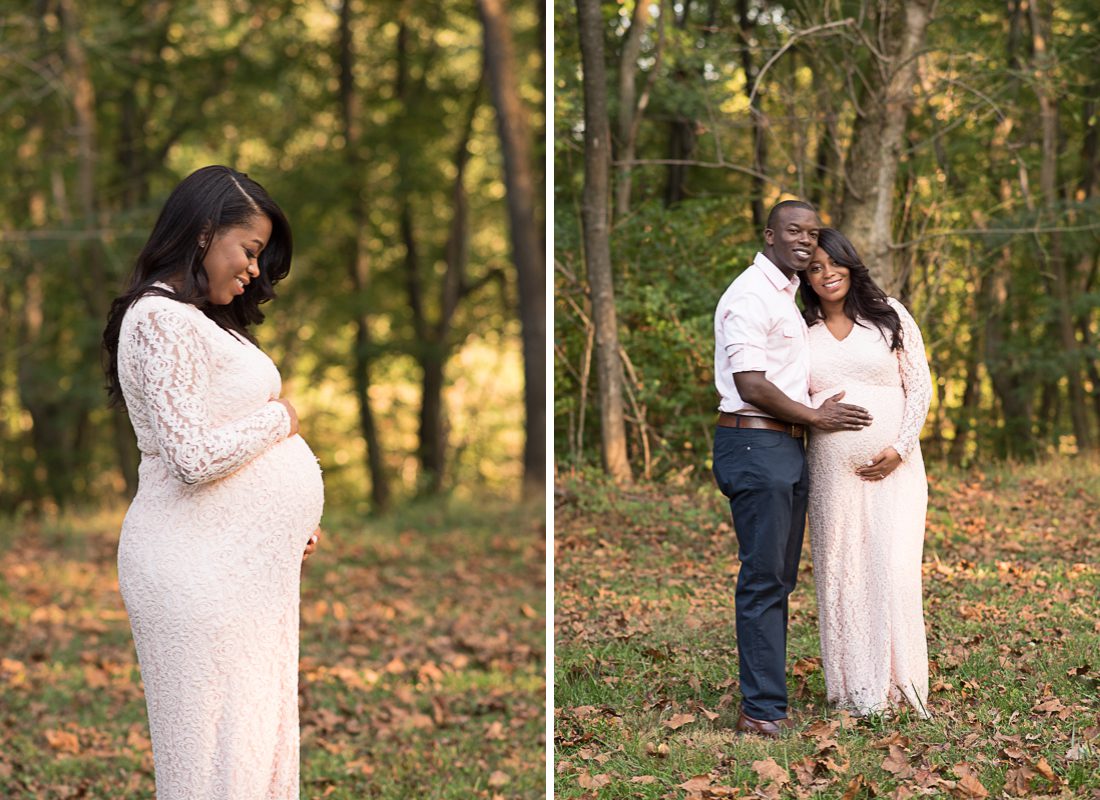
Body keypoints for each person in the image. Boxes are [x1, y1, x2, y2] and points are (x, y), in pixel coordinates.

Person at [101, 165, 324, 798]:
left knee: (251, 751)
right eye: (249, 250)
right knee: (210, 764)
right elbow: (192, 456)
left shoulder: (203, 321)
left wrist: (282, 529)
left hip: (238, 571)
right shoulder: (156, 320)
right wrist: (282, 419)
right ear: (204, 232)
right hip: (190, 572)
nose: (254, 269)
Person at [712, 200, 873, 737]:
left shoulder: (786, 296)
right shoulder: (749, 296)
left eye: (812, 232)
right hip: (755, 448)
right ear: (770, 235)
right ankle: (760, 712)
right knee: (763, 581)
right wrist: (816, 417)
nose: (805, 241)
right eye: (793, 231)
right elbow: (750, 383)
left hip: (784, 449)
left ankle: (767, 701)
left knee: (778, 580)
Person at [800, 227, 932, 718]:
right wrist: (816, 406)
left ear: (850, 264)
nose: (826, 273)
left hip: (896, 469)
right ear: (805, 277)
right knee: (842, 572)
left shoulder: (889, 315)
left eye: (833, 263)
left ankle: (903, 687)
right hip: (831, 473)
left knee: (893, 569)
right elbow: (789, 394)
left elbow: (919, 385)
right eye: (814, 268)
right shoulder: (800, 331)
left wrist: (900, 446)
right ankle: (854, 692)